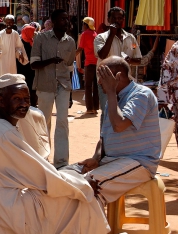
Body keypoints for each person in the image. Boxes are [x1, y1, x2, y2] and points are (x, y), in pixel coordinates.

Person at [0, 74, 130, 234]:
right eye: (17, 99)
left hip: (3, 204)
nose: (23, 105)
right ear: (1, 99)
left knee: (74, 189)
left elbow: (38, 172)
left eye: (26, 99)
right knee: (80, 197)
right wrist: (82, 185)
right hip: (8, 212)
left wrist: (78, 183)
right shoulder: (3, 134)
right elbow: (41, 175)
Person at [64, 56, 161, 205]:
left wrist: (110, 92)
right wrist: (96, 159)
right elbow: (103, 138)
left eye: (102, 76)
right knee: (62, 178)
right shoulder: (113, 99)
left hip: (138, 162)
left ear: (118, 77)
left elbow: (119, 125)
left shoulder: (141, 94)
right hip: (112, 161)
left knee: (86, 187)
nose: (99, 82)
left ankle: (91, 228)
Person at [31, 9, 76, 168]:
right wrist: (50, 60)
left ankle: (61, 162)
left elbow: (70, 67)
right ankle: (43, 159)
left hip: (63, 85)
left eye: (67, 19)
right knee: (44, 122)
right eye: (63, 19)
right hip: (45, 85)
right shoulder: (41, 38)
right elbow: (33, 64)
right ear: (54, 21)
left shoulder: (70, 41)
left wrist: (70, 94)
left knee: (63, 122)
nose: (66, 22)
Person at [94, 7, 142, 112]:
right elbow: (102, 55)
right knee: (107, 113)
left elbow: (138, 60)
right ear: (108, 19)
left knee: (125, 112)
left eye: (120, 18)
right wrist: (111, 35)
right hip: (106, 81)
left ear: (123, 20)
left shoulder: (131, 38)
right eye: (114, 18)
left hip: (126, 82)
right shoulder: (100, 38)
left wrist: (129, 60)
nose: (117, 21)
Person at [76, 17, 99, 114]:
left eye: (83, 24)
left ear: (86, 25)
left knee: (88, 86)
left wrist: (72, 56)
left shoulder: (85, 34)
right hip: (97, 62)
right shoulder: (95, 34)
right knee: (96, 86)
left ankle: (89, 108)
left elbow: (80, 48)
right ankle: (95, 108)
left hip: (89, 63)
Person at [17, 23, 38, 107]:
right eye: (32, 32)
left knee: (32, 88)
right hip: (23, 69)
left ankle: (32, 105)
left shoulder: (33, 42)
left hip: (31, 69)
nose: (34, 34)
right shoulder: (20, 43)